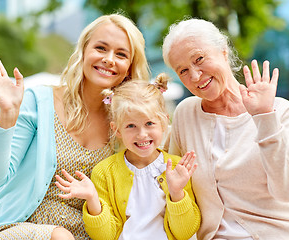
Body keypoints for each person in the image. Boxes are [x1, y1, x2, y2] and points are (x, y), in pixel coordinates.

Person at [0, 13, 150, 240]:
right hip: (16, 228)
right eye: (101, 48)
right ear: (84, 51)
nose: (109, 59)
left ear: (130, 67)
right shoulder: (39, 102)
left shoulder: (127, 125)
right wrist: (8, 115)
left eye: (121, 54)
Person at [162, 18, 289, 240]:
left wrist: (265, 117)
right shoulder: (186, 113)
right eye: (183, 70)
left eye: (199, 59)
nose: (195, 76)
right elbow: (175, 184)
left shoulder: (279, 110)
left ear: (223, 51)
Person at [55, 75, 201, 240]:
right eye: (131, 126)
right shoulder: (104, 172)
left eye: (149, 123)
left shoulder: (176, 168)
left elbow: (185, 233)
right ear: (117, 129)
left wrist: (177, 193)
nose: (142, 134)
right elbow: (106, 236)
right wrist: (92, 199)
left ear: (163, 122)